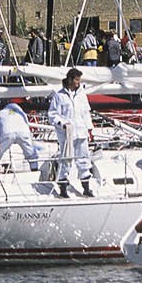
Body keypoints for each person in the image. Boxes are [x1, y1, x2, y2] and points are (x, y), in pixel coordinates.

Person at [47, 68, 94, 198]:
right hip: (67, 135)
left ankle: (86, 188)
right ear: (70, 79)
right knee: (66, 161)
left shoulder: (82, 95)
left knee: (84, 159)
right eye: (77, 80)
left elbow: (86, 113)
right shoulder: (59, 96)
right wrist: (62, 124)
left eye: (79, 80)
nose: (78, 83)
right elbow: (52, 114)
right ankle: (63, 189)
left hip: (81, 132)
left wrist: (89, 128)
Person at [0, 101, 40, 172]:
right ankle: (35, 170)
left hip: (7, 133)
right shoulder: (21, 113)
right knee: (31, 154)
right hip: (23, 132)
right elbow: (26, 123)